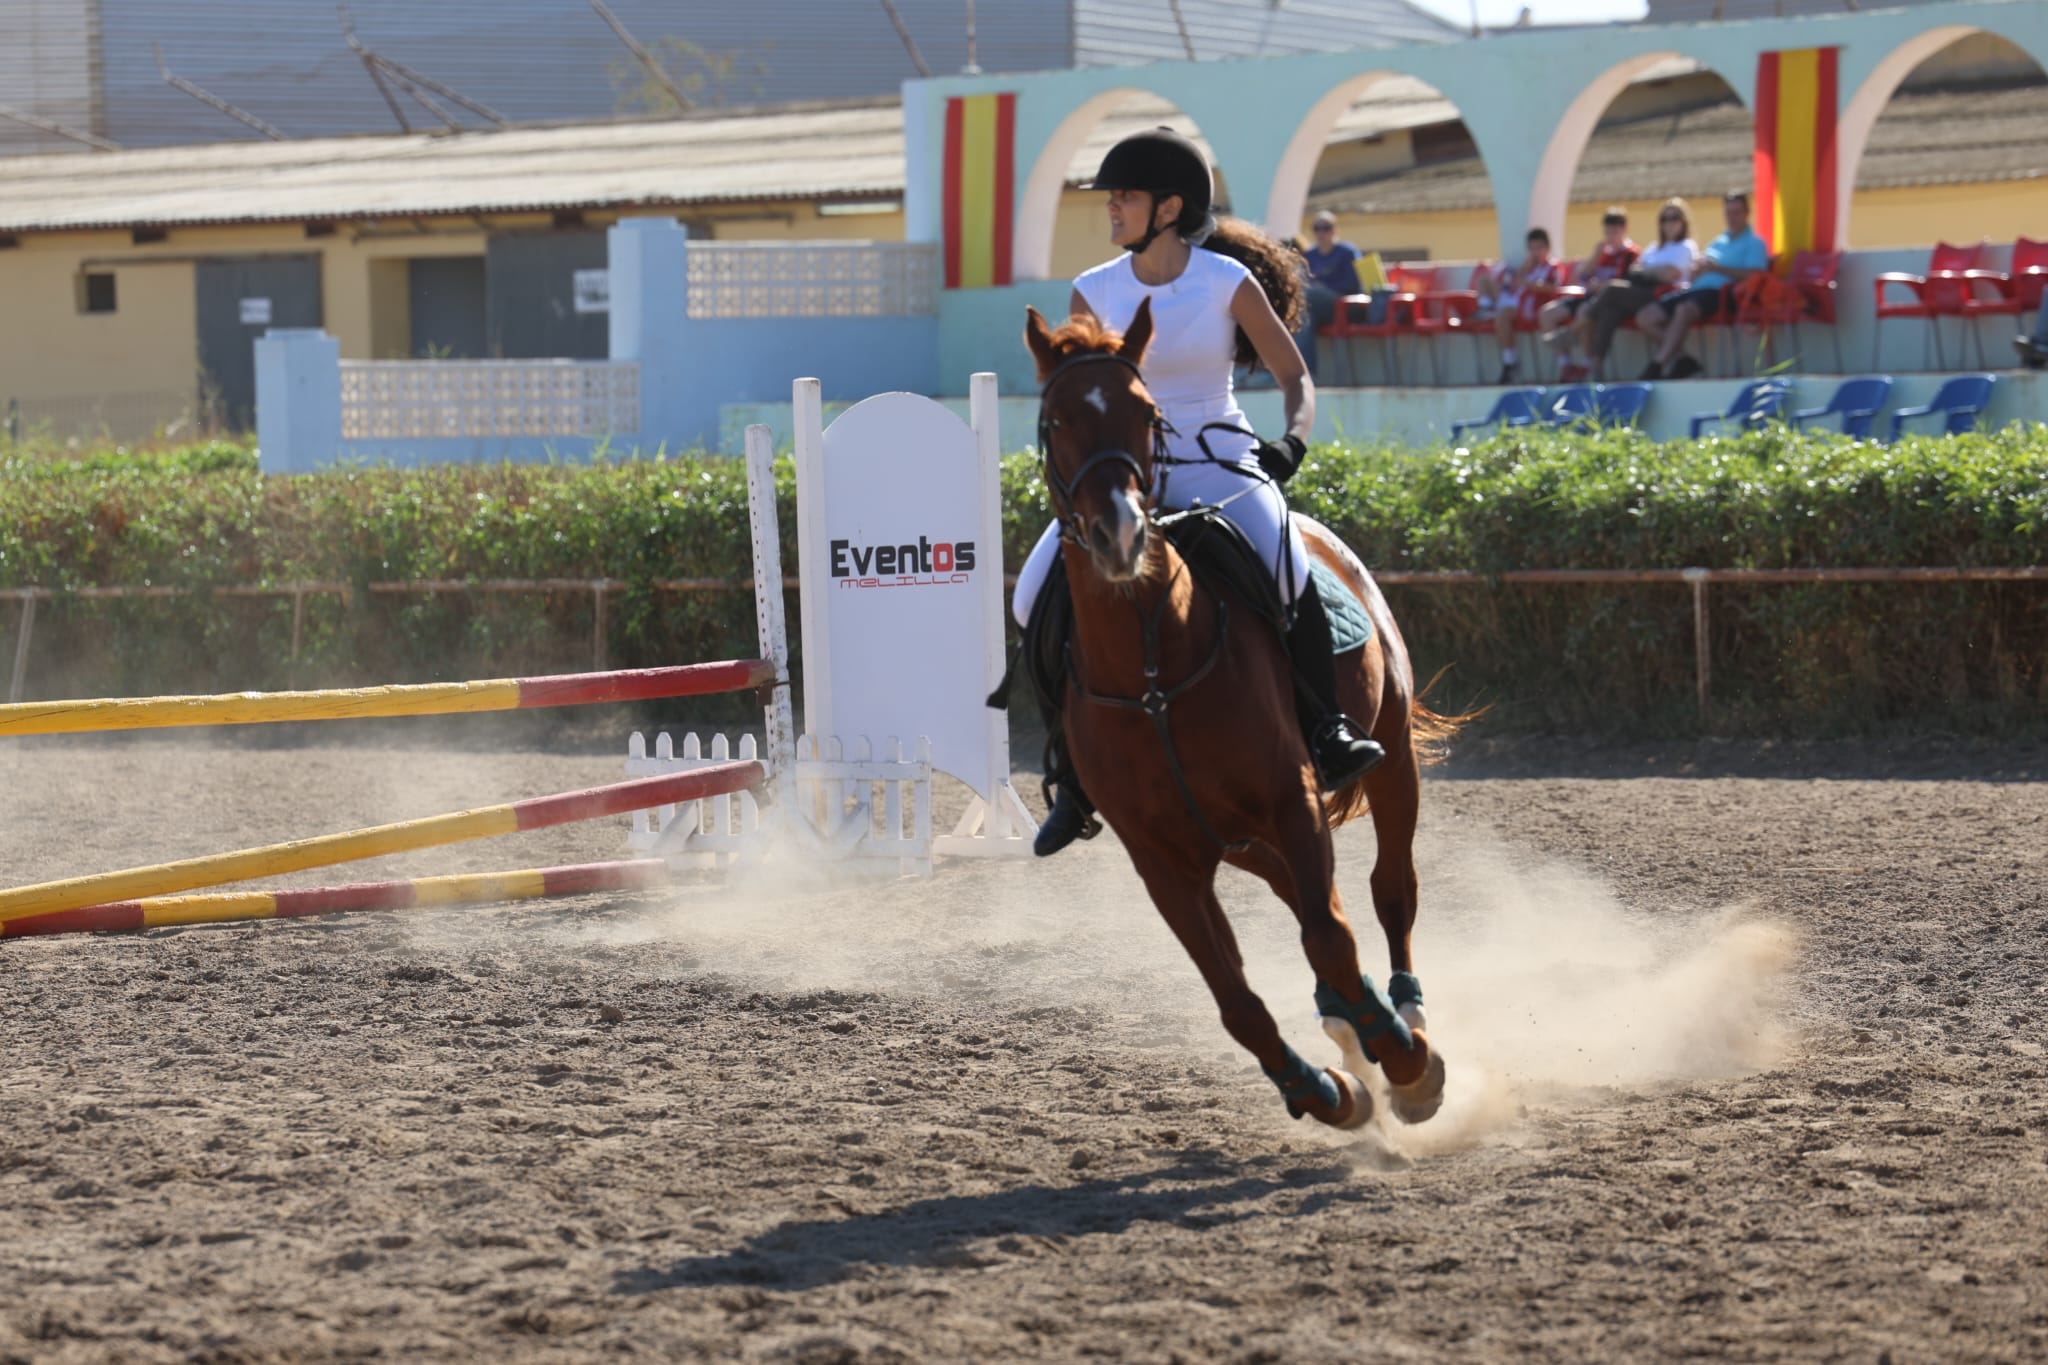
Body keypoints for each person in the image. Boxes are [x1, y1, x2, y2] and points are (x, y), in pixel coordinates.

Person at [1014, 127, 1386, 856]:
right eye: (1111, 196)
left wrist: (1293, 441)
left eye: (1124, 195)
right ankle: (1072, 774)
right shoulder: (1093, 288)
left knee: (1287, 566)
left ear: (1168, 206)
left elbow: (1294, 377)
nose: (1111, 207)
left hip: (1219, 459)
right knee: (1032, 595)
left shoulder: (1225, 282)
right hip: (1131, 474)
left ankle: (1328, 729)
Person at [1636, 189, 1769, 379]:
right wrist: (1697, 271)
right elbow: (1696, 273)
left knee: (1684, 309)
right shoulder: (1717, 242)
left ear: (1747, 213)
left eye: (1737, 212)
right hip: (1696, 289)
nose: (1732, 217)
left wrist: (1719, 269)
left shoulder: (1754, 243)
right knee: (1646, 316)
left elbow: (1756, 275)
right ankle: (1683, 360)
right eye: (1728, 212)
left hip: (1722, 294)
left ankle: (1657, 365)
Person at [1580, 197, 1698, 378]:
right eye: (1665, 219)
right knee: (1610, 310)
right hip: (1643, 294)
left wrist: (1649, 271)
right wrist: (1656, 271)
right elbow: (1635, 271)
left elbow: (1669, 275)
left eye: (1674, 218)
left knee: (1612, 289)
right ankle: (1595, 366)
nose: (1669, 224)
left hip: (1665, 296)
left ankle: (1578, 326)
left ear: (1684, 221)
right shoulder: (1653, 248)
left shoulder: (1686, 246)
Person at [1541, 208, 1638, 381]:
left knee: (1584, 311)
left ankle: (1587, 365)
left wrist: (1600, 285)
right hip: (1588, 296)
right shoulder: (1602, 251)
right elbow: (1582, 276)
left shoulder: (1631, 253)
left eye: (1615, 232)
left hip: (1607, 302)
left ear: (1624, 230)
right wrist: (1596, 255)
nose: (1611, 237)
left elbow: (1624, 284)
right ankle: (1566, 365)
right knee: (1547, 313)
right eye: (1607, 232)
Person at [1475, 227, 1560, 384]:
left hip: (1529, 307)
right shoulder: (1528, 267)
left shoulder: (1552, 267)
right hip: (1514, 299)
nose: (1536, 252)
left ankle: (1510, 362)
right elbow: (1515, 283)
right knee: (1484, 279)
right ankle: (1486, 309)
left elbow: (1553, 288)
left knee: (1502, 316)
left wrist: (1529, 284)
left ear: (1547, 248)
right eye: (1532, 248)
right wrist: (1524, 269)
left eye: (1539, 247)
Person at [1293, 210, 1366, 380]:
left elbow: (1355, 284)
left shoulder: (1347, 252)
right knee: (1303, 316)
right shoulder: (1309, 255)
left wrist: (1324, 286)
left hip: (1344, 305)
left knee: (1306, 294)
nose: (1321, 232)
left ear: (1335, 230)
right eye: (1317, 228)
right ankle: (1305, 374)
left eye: (1326, 228)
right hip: (1315, 306)